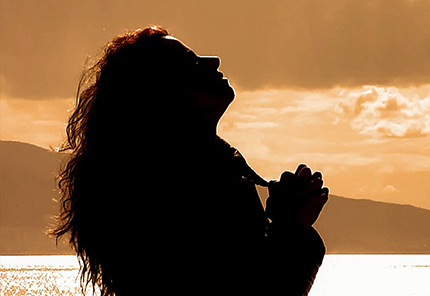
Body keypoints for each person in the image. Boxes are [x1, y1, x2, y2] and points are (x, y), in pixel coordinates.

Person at [51, 25, 329, 296]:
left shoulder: (197, 172)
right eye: (192, 64)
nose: (213, 61)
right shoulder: (185, 189)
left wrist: (286, 225)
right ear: (161, 95)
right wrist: (291, 227)